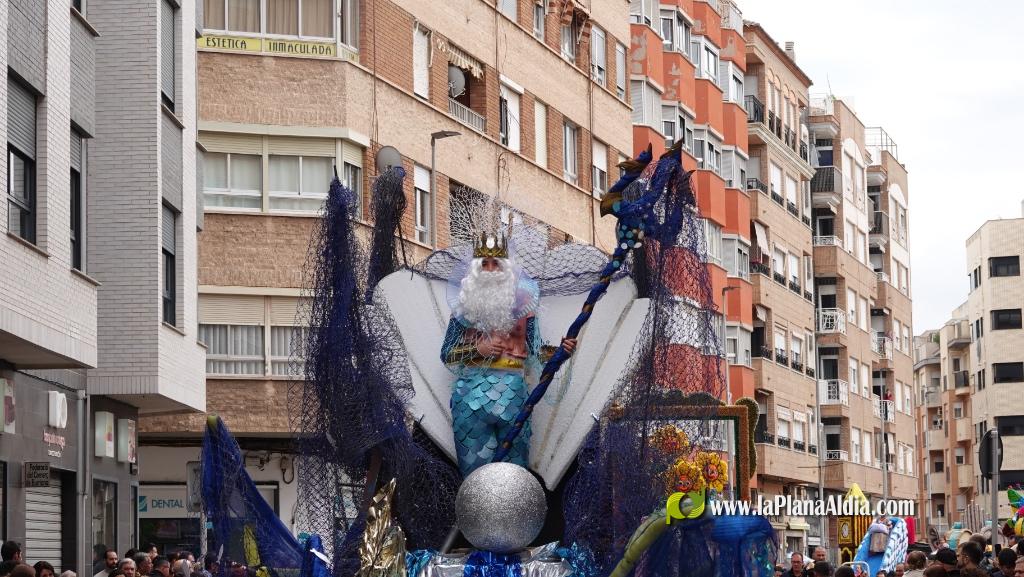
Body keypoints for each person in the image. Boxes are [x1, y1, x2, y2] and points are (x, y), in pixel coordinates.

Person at [441, 236, 576, 475]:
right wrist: (477, 350)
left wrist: (559, 352)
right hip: (469, 397)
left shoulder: (525, 304)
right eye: (485, 264)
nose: (491, 270)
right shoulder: (463, 305)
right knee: (475, 477)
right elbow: (447, 353)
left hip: (513, 395)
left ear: (507, 268)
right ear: (475, 269)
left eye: (497, 264)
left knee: (513, 477)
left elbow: (535, 349)